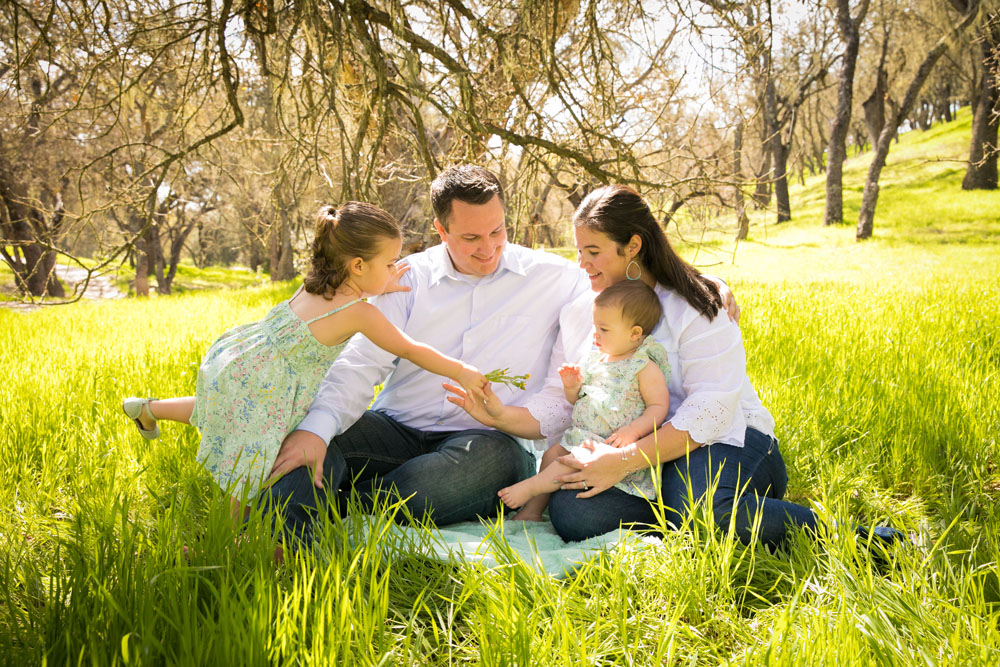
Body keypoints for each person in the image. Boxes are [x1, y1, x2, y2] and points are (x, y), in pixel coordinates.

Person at [447, 184, 903, 549]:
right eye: (578, 250)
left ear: (633, 247)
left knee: (708, 512)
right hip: (646, 459)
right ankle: (681, 510)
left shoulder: (696, 304)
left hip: (728, 443)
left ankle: (855, 539)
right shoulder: (584, 310)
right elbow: (566, 396)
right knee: (574, 513)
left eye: (593, 251)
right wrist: (502, 417)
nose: (580, 263)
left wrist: (622, 461)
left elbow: (712, 410)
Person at [260, 166, 597, 545]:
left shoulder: (558, 279)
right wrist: (316, 431)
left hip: (487, 442)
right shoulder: (406, 278)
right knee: (309, 434)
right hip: (396, 428)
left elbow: (561, 388)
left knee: (479, 469)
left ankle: (335, 506)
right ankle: (274, 543)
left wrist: (509, 418)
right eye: (470, 237)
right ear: (441, 230)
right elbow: (359, 366)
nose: (487, 249)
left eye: (497, 231)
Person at [122, 202, 490, 513]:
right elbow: (410, 349)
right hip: (271, 384)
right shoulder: (359, 313)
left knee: (221, 408)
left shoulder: (317, 282)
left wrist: (382, 283)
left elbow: (351, 293)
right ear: (359, 266)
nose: (396, 270)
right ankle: (235, 538)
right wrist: (461, 371)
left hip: (244, 360)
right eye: (390, 264)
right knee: (252, 463)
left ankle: (149, 409)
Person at [498, 280, 670, 522]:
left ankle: (531, 487)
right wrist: (572, 386)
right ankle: (533, 511)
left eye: (604, 329)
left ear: (634, 334)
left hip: (612, 445)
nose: (596, 335)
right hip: (582, 436)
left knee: (568, 461)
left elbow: (659, 406)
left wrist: (633, 430)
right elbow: (578, 399)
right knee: (551, 457)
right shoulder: (596, 360)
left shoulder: (643, 365)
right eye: (595, 327)